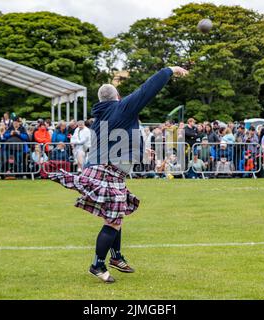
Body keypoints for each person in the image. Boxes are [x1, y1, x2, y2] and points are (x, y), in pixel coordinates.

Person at [50, 66, 188, 283]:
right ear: (118, 98)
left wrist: (141, 151)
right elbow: (147, 89)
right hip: (106, 172)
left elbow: (115, 141)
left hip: (103, 170)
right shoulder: (122, 108)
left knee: (116, 215)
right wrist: (169, 70)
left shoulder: (100, 118)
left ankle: (116, 257)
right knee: (113, 221)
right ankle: (97, 265)